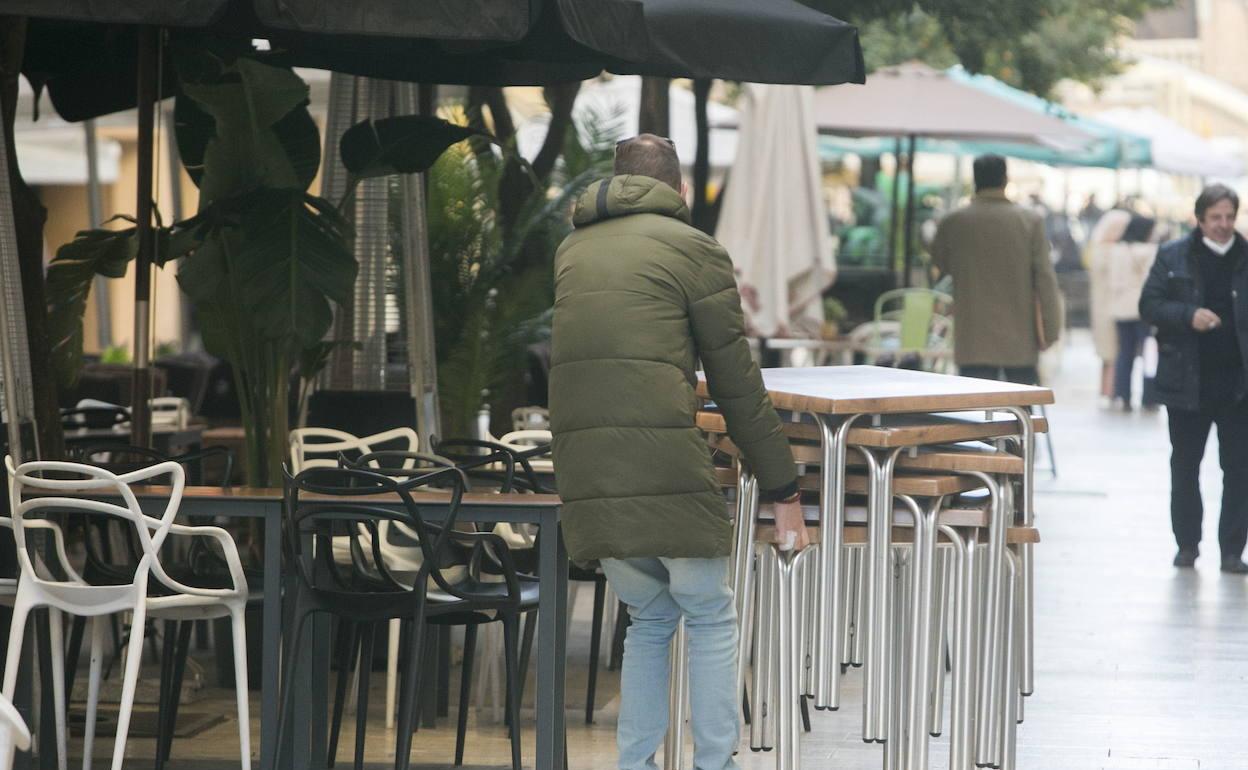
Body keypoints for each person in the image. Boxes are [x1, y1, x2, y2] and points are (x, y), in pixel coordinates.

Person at [549, 134, 808, 770]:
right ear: (680, 191)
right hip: (663, 462)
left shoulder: (572, 248)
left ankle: (634, 765)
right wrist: (784, 490)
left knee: (650, 618)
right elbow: (736, 381)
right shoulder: (695, 249)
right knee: (710, 614)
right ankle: (714, 764)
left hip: (588, 471)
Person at [1139, 184, 1248, 574]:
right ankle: (1187, 545)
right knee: (1185, 466)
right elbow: (1149, 305)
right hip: (1187, 382)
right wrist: (1189, 315)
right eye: (1215, 217)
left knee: (1238, 470)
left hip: (1238, 386)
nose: (1223, 225)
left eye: (1229, 217)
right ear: (1199, 218)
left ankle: (1233, 550)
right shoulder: (1173, 257)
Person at [929, 154, 1064, 384]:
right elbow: (1045, 278)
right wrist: (1051, 328)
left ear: (975, 180)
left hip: (972, 332)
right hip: (1020, 335)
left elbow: (941, 264)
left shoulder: (953, 222)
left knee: (975, 408)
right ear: (1005, 179)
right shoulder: (1029, 221)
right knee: (1020, 410)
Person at [1107, 214, 1160, 410]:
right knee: (1149, 354)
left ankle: (1123, 395)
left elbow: (1112, 280)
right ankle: (1149, 397)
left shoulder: (1117, 250)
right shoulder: (1150, 251)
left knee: (1125, 353)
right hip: (1144, 309)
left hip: (1121, 308)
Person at [1086, 209, 1132, 403]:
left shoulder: (1096, 249)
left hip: (1103, 304)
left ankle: (1107, 389)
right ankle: (1111, 389)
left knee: (1109, 352)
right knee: (1113, 350)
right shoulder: (1112, 252)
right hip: (1111, 305)